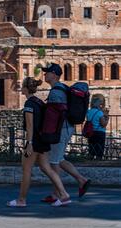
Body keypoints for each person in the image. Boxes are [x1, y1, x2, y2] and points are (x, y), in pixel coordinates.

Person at [7, 77, 70, 207]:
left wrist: (29, 144)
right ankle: (64, 194)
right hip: (43, 140)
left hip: (34, 142)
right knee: (46, 168)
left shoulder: (29, 104)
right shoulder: (39, 102)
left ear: (25, 88)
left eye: (22, 86)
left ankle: (21, 200)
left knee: (26, 170)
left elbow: (30, 126)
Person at [41, 63, 91, 202]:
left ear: (55, 75)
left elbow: (56, 113)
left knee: (54, 162)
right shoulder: (63, 88)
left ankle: (57, 194)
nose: (45, 74)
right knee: (60, 159)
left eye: (48, 72)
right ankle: (81, 180)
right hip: (67, 127)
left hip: (60, 129)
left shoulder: (56, 92)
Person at [87, 94, 109, 160]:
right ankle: (98, 162)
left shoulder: (89, 112)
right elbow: (103, 124)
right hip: (99, 133)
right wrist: (107, 118)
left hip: (90, 132)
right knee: (99, 150)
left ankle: (90, 162)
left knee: (91, 148)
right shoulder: (100, 113)